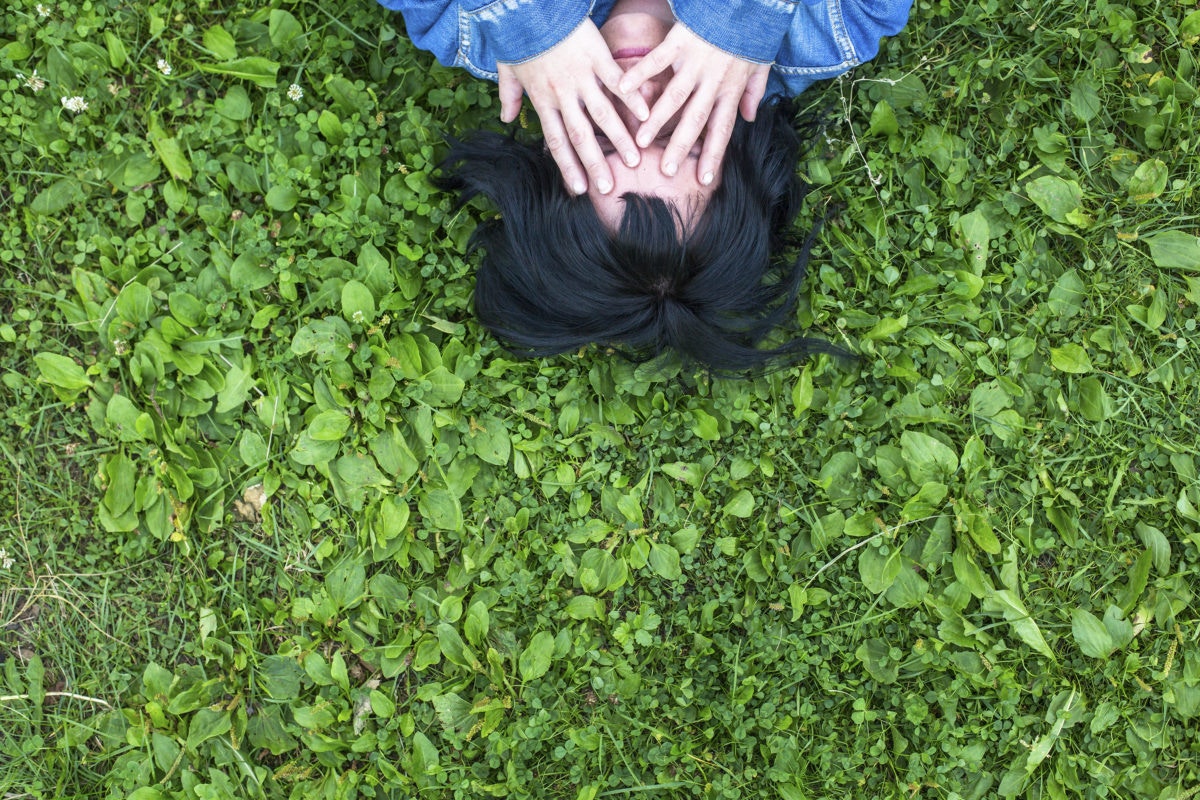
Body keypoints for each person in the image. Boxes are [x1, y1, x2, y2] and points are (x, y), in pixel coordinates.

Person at [376, 0, 912, 372]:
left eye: (603, 140)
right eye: (681, 133)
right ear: (740, 145)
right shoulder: (837, 23)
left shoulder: (462, 24)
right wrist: (739, 17)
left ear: (549, 154)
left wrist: (529, 22)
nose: (639, 92)